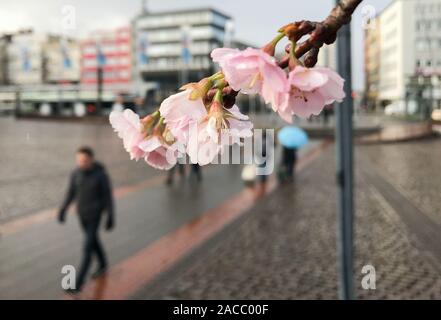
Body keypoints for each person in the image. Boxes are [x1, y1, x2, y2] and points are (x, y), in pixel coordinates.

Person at [58, 146, 115, 294]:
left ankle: (77, 284)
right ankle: (103, 263)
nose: (81, 163)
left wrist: (110, 216)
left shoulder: (101, 175)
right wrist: (63, 209)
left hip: (95, 216)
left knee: (87, 248)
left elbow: (107, 197)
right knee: (93, 241)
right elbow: (70, 193)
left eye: (84, 160)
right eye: (78, 160)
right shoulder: (75, 173)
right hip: (81, 215)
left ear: (91, 160)